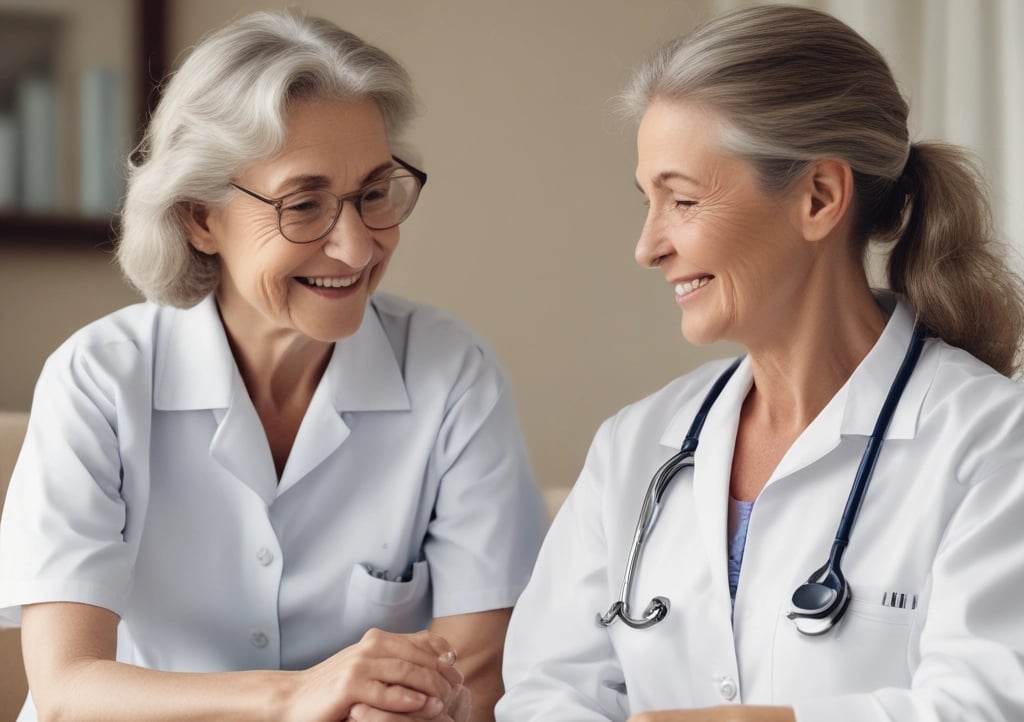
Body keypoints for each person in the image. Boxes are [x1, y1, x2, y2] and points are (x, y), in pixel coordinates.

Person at [0, 10, 547, 722]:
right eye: (304, 204)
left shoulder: (453, 374)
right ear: (201, 218)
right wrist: (294, 697)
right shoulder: (98, 379)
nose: (356, 247)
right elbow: (71, 689)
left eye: (375, 193)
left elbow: (478, 671)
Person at [497, 5, 1024, 722]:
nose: (647, 246)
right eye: (648, 201)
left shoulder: (990, 443)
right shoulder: (633, 447)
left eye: (681, 200)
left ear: (819, 197)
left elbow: (986, 704)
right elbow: (545, 694)